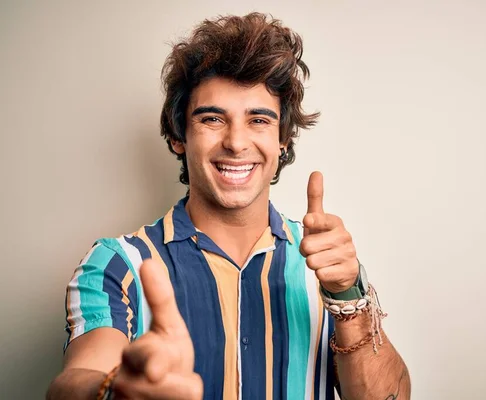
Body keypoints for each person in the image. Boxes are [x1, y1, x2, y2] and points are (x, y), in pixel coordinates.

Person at [47, 12, 410, 400]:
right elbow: (78, 377)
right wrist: (116, 389)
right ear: (178, 136)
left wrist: (347, 300)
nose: (237, 143)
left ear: (282, 139)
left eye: (258, 120)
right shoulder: (117, 264)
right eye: (212, 119)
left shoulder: (329, 265)